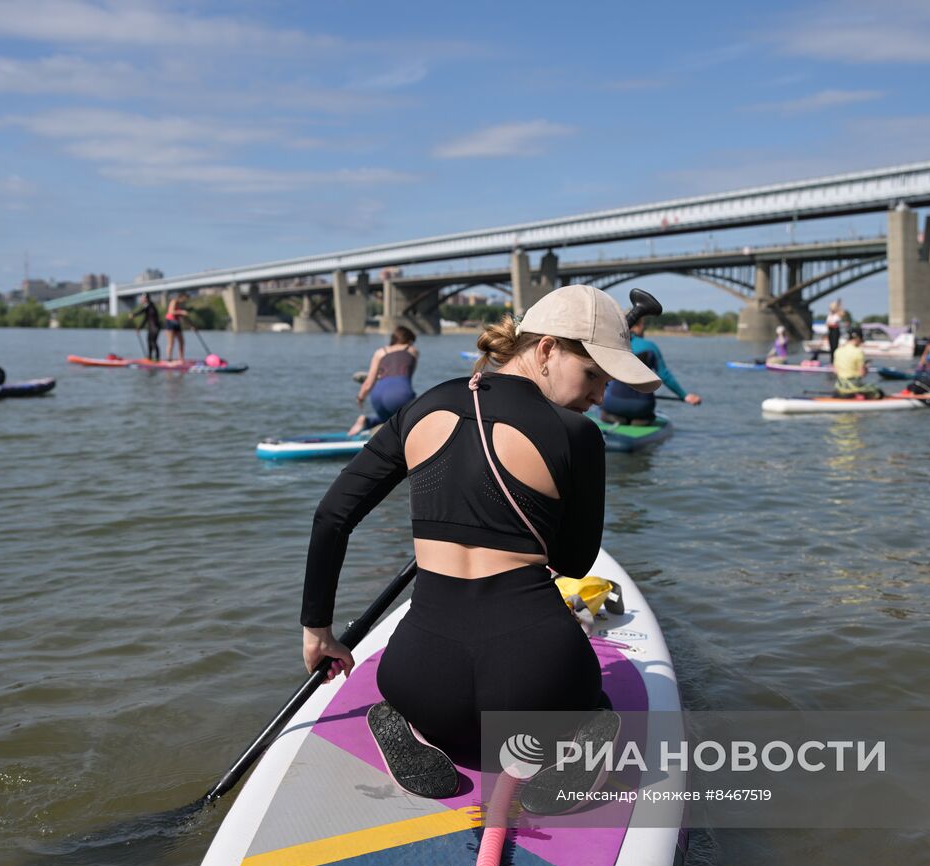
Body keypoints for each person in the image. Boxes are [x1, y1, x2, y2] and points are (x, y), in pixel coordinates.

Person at [299, 285, 663, 797]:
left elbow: (332, 515)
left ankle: (397, 721)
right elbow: (575, 562)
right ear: (546, 350)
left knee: (408, 688)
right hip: (541, 689)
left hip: (419, 682)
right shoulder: (577, 436)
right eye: (594, 376)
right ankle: (587, 734)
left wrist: (318, 631)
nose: (600, 397)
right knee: (588, 702)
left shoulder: (423, 407)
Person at [598, 309, 701, 424]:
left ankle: (613, 417)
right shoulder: (650, 347)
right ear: (640, 325)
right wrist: (685, 396)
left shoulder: (612, 345)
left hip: (613, 404)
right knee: (642, 417)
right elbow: (665, 376)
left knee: (609, 411)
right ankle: (640, 420)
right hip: (642, 407)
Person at [348, 326, 419, 436]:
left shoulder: (380, 352)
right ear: (409, 340)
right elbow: (407, 377)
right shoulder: (412, 350)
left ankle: (366, 422)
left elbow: (368, 383)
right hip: (399, 393)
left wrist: (360, 397)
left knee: (389, 419)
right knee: (418, 418)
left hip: (377, 395)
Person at [833, 327, 883, 399]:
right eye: (861, 340)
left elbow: (835, 371)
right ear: (858, 338)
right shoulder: (858, 352)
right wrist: (866, 369)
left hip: (839, 386)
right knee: (878, 392)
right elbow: (862, 373)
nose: (861, 343)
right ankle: (857, 396)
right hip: (853, 386)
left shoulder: (838, 351)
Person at [129, 294, 162, 361]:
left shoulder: (150, 305)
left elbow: (142, 311)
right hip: (150, 327)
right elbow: (146, 319)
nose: (141, 299)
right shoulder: (147, 307)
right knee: (149, 342)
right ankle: (149, 358)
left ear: (147, 299)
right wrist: (140, 327)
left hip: (155, 327)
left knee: (153, 342)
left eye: (142, 298)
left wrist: (133, 315)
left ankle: (158, 359)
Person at [164, 293, 192, 362]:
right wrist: (181, 312)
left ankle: (181, 358)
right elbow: (171, 311)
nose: (185, 301)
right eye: (185, 299)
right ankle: (169, 359)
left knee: (182, 341)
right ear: (181, 297)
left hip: (177, 323)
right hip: (170, 323)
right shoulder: (174, 301)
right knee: (171, 342)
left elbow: (183, 317)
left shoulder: (181, 305)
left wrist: (191, 326)